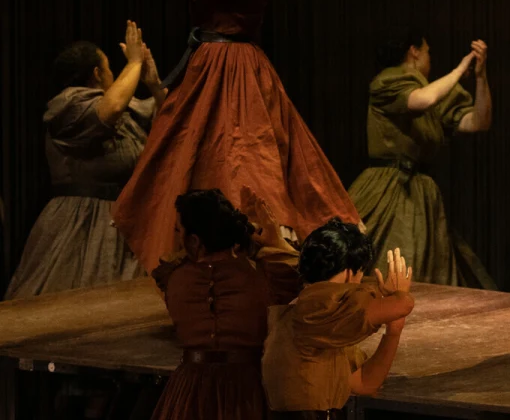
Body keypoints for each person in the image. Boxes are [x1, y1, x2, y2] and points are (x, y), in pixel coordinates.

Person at [114, 0, 359, 273]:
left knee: (240, 161)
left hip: (233, 71)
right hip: (209, 66)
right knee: (194, 159)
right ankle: (206, 263)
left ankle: (249, 265)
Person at [5, 21, 164, 299]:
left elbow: (169, 126)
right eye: (109, 68)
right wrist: (134, 63)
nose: (114, 74)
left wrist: (154, 84)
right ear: (96, 73)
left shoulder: (126, 111)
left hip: (124, 218)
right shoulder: (69, 106)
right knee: (71, 298)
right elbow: (111, 107)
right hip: (80, 221)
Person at [348, 30, 495, 287]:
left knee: (426, 269)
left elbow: (478, 122)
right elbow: (422, 100)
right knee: (384, 263)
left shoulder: (435, 92)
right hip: (388, 185)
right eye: (427, 51)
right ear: (413, 51)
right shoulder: (388, 81)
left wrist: (481, 77)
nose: (430, 58)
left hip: (421, 191)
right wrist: (461, 69)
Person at [150, 187, 301, 420]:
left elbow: (173, 260)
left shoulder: (173, 276)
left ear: (193, 239)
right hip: (247, 391)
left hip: (190, 390)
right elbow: (298, 273)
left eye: (179, 231)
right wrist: (272, 239)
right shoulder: (267, 276)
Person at [262, 220, 415, 418]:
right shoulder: (317, 307)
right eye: (361, 273)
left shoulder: (328, 321)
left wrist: (394, 331)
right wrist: (398, 295)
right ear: (350, 272)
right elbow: (404, 304)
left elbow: (363, 383)